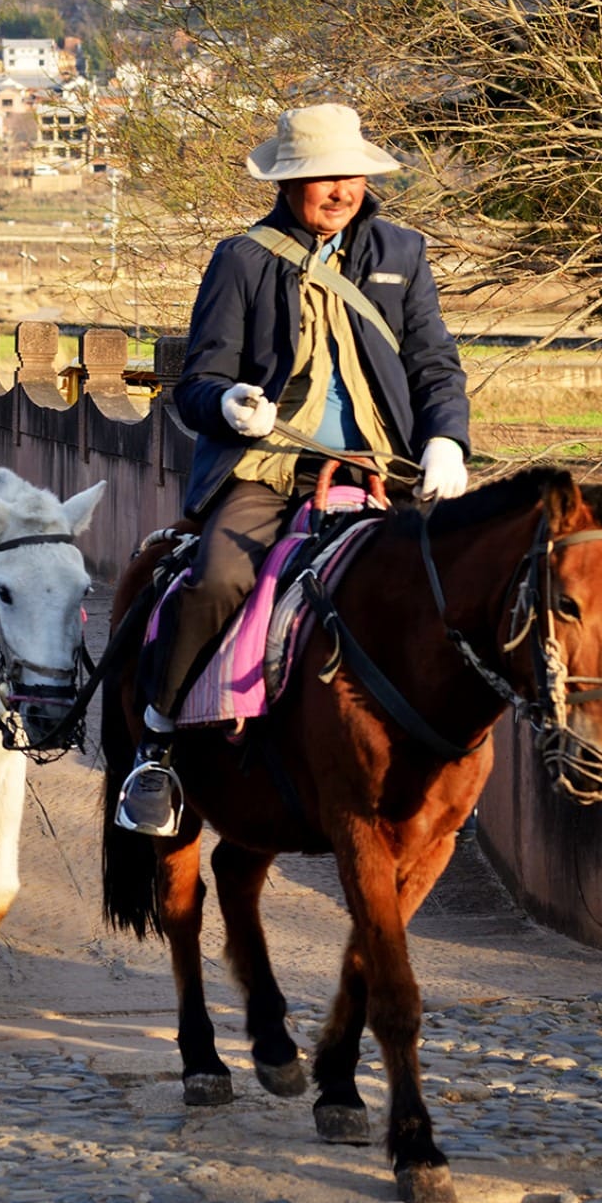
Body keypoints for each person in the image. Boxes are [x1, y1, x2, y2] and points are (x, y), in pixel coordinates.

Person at [115, 103, 472, 836]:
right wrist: (229, 403)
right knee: (216, 579)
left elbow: (434, 364)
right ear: (286, 184)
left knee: (463, 590)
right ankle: (157, 745)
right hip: (270, 469)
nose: (339, 190)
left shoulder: (401, 252)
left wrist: (449, 441)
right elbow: (199, 382)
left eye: (349, 175)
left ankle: (450, 763)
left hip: (383, 469)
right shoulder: (241, 260)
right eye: (319, 178)